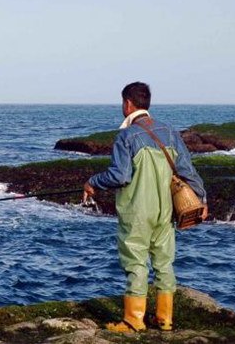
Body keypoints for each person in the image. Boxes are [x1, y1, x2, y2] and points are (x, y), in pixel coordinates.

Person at [83, 82, 207, 332]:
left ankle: (133, 320)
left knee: (136, 261)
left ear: (128, 104)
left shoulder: (126, 136)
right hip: (166, 211)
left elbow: (120, 176)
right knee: (164, 263)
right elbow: (187, 171)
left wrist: (92, 182)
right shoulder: (170, 132)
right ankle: (165, 319)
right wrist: (202, 199)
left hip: (137, 211)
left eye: (122, 103)